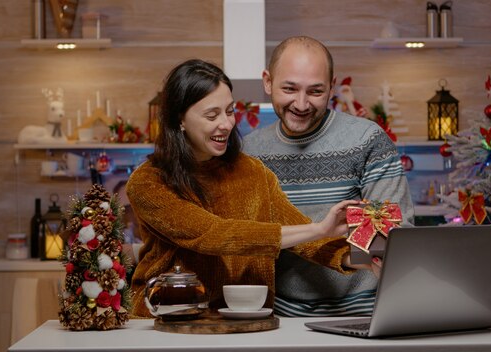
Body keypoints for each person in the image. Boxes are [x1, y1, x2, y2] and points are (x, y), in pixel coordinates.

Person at [126, 59, 361, 317]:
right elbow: (214, 235)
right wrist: (318, 228)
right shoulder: (149, 181)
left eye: (229, 111)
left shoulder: (253, 172)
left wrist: (358, 258)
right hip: (165, 318)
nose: (226, 124)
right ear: (179, 119)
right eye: (211, 115)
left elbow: (299, 235)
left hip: (249, 318)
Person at [243, 36, 414, 317]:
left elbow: (392, 231)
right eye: (289, 88)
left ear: (332, 87)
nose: (301, 103)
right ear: (268, 82)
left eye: (315, 91)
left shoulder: (366, 140)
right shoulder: (250, 152)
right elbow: (248, 239)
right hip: (278, 315)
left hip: (363, 310)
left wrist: (384, 248)